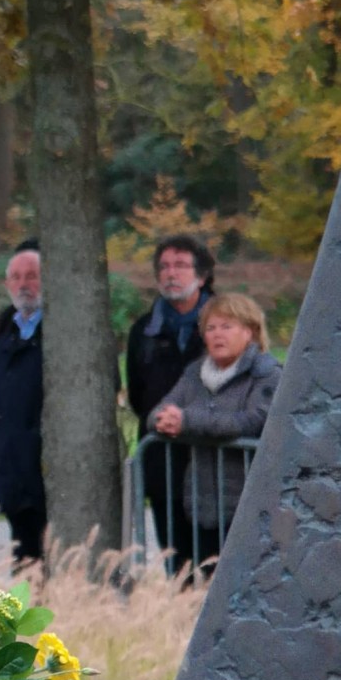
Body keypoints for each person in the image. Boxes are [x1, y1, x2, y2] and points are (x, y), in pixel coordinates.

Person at [147, 293, 280, 572]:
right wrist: (164, 420)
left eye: (227, 326)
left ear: (250, 331)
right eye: (210, 328)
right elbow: (156, 415)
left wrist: (187, 422)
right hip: (200, 507)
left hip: (247, 506)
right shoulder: (195, 373)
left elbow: (250, 422)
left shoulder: (267, 374)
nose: (217, 335)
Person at [126, 234, 215, 566]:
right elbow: (138, 395)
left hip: (215, 468)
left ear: (202, 274)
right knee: (176, 567)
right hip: (163, 466)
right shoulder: (144, 331)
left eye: (180, 265)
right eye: (163, 267)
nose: (170, 274)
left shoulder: (225, 323)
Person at [0, 243, 47, 565]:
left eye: (32, 276)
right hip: (10, 467)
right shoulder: (8, 331)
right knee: (24, 561)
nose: (23, 284)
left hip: (44, 467)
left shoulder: (56, 331)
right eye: (15, 277)